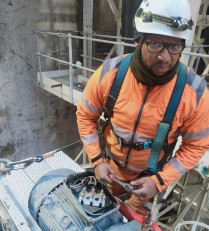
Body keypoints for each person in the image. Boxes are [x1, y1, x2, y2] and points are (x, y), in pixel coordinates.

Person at [76, 0, 209, 215]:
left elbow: (196, 146)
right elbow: (85, 115)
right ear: (139, 40)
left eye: (174, 46)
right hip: (111, 171)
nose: (164, 56)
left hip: (152, 179)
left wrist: (158, 181)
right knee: (104, 217)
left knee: (132, 227)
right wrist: (98, 160)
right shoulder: (111, 73)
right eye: (155, 43)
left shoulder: (194, 92)